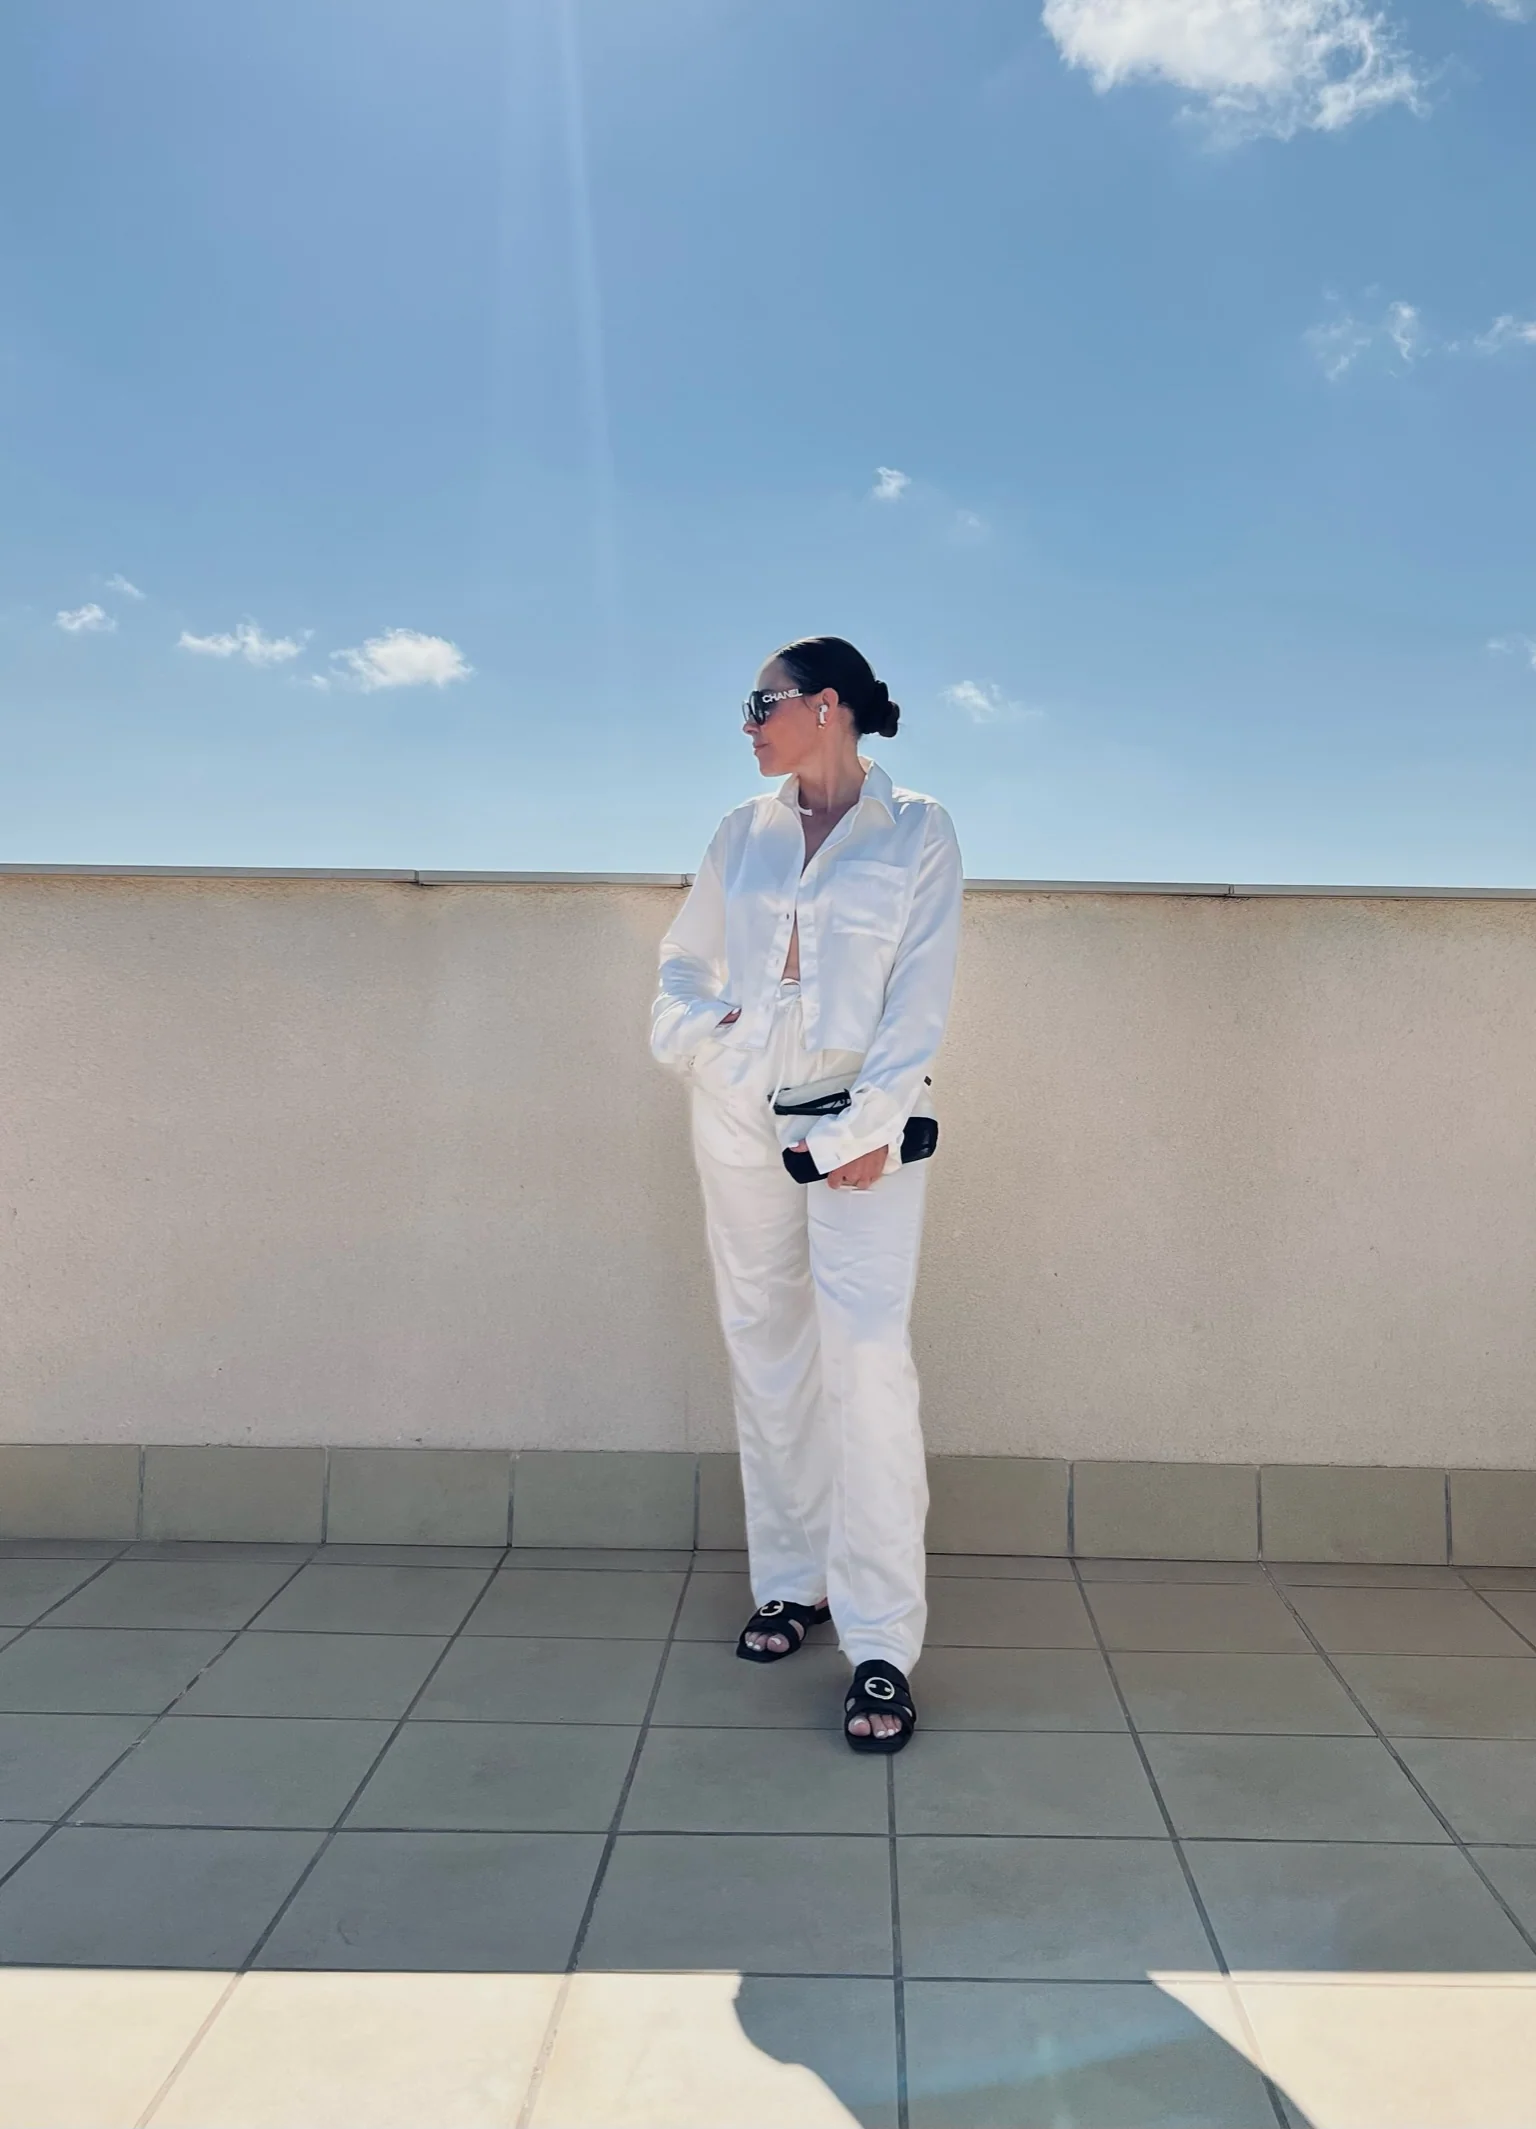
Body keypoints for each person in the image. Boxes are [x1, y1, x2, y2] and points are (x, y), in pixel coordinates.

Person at [650, 636, 963, 1753]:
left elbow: (919, 995)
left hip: (859, 1125)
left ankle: (882, 1641)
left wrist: (872, 1123)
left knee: (867, 1359)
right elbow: (680, 965)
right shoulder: (742, 832)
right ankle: (793, 1580)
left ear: (827, 704)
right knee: (766, 1345)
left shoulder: (917, 828)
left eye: (762, 702)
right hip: (737, 1115)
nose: (748, 724)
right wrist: (709, 1038)